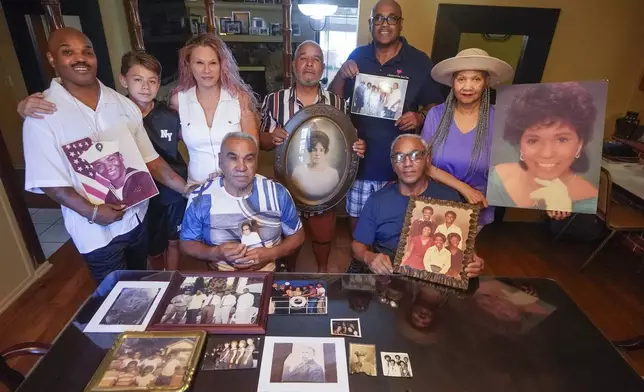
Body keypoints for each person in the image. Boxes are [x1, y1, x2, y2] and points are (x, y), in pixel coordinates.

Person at [20, 28, 188, 282]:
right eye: (68, 52)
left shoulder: (123, 106)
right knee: (113, 299)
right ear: (52, 59)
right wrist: (93, 212)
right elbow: (50, 181)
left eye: (87, 51)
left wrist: (189, 191)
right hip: (95, 233)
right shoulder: (42, 115)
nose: (80, 58)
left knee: (140, 283)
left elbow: (150, 160)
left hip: (136, 218)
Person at [329, 0, 443, 232]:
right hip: (360, 160)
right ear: (371, 23)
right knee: (358, 222)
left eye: (391, 18)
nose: (384, 24)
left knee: (396, 226)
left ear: (400, 24)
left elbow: (437, 106)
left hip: (402, 165)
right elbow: (333, 100)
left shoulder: (419, 61)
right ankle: (360, 261)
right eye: (378, 18)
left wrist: (420, 116)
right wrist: (341, 74)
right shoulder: (359, 55)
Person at [260, 40, 365, 273]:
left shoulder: (337, 103)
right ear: (294, 65)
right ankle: (288, 275)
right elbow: (261, 141)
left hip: (323, 188)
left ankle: (323, 273)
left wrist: (357, 147)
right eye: (303, 58)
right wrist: (272, 138)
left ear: (322, 66)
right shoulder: (274, 101)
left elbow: (348, 141)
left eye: (316, 59)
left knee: (323, 236)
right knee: (288, 240)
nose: (309, 64)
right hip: (287, 186)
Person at [351, 134, 485, 275]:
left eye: (415, 155)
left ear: (427, 160)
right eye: (399, 157)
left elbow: (465, 246)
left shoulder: (449, 197)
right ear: (393, 165)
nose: (407, 163)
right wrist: (369, 257)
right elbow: (357, 245)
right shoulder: (377, 200)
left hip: (436, 280)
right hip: (390, 278)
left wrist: (473, 261)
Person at [180, 132, 305, 272]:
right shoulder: (201, 197)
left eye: (249, 159)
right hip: (220, 278)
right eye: (233, 158)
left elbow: (297, 235)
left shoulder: (277, 193)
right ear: (220, 161)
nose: (241, 167)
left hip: (270, 274)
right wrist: (215, 253)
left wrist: (272, 254)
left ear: (256, 162)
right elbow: (187, 243)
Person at [420, 48, 514, 226]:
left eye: (476, 79)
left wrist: (551, 200)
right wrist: (464, 188)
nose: (468, 87)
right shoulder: (435, 115)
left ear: (486, 82)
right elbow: (424, 164)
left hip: (476, 209)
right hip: (434, 205)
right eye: (461, 79)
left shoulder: (500, 119)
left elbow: (514, 167)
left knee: (464, 253)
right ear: (452, 82)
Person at [487, 82, 599, 214]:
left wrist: (563, 215)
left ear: (579, 145)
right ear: (520, 145)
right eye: (533, 140)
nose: (546, 153)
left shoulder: (589, 201)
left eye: (562, 139)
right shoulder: (495, 178)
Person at [170, 33, 259, 185]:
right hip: (197, 188)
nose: (206, 70)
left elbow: (253, 149)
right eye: (199, 63)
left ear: (221, 66)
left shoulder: (239, 99)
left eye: (212, 63)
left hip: (236, 187)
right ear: (189, 65)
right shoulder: (179, 101)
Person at [78, 141, 156, 206]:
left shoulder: (143, 178)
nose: (108, 167)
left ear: (120, 157)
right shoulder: (109, 197)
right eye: (99, 166)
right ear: (95, 170)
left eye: (111, 159)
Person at [291, 128, 340, 199]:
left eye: (321, 150)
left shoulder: (333, 174)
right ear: (309, 150)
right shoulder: (298, 171)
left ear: (325, 151)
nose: (317, 154)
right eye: (314, 150)